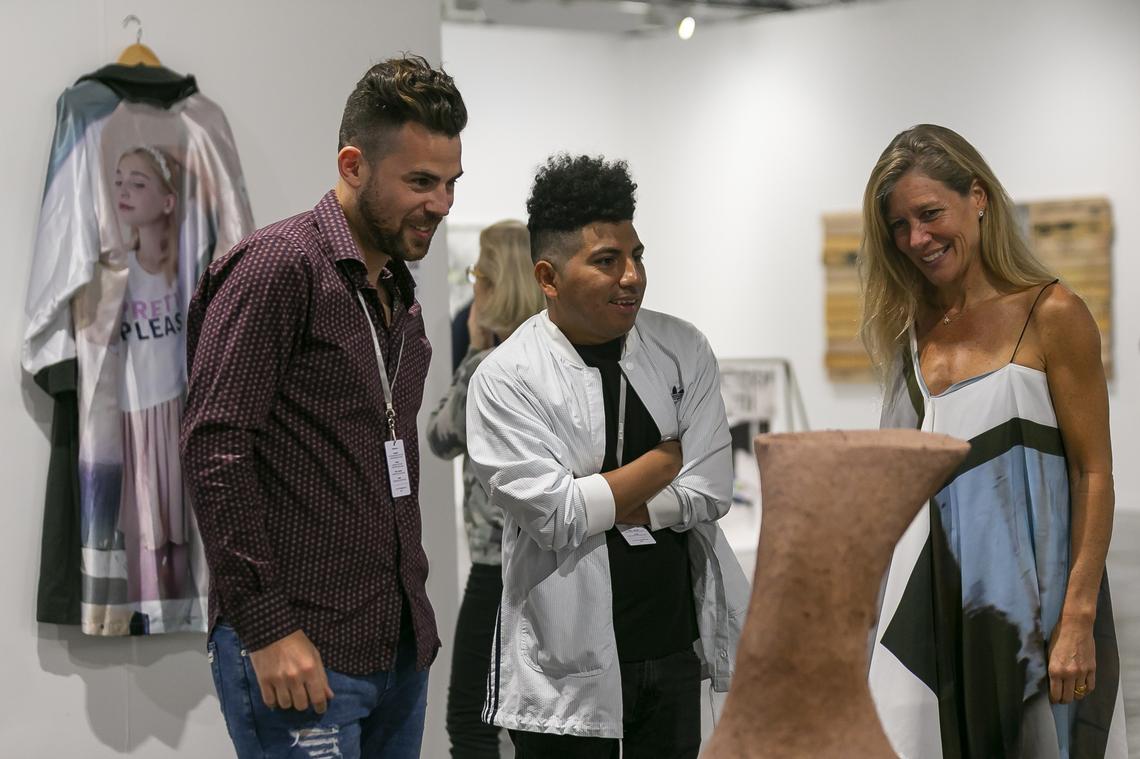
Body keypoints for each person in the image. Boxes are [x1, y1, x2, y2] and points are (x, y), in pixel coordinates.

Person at [180, 55, 466, 758]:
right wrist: (267, 626)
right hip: (300, 652)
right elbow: (215, 448)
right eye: (421, 182)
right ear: (353, 165)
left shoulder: (398, 293)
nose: (441, 204)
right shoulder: (278, 266)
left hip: (396, 650)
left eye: (451, 183)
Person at [466, 154, 748, 758]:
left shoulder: (681, 347)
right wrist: (665, 461)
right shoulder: (507, 377)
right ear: (548, 277)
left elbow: (712, 490)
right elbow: (554, 516)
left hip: (670, 650)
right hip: (561, 671)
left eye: (637, 255)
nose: (632, 276)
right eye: (606, 261)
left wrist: (606, 499)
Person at [862, 124, 1126, 758]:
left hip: (1035, 606)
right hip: (926, 605)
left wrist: (1078, 618)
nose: (917, 239)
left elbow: (1093, 473)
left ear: (977, 197)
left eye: (930, 214)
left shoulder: (1052, 313)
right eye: (899, 226)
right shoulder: (907, 330)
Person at [426, 219, 545, 758]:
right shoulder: (562, 361)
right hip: (558, 562)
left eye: (478, 274)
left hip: (499, 565)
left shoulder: (487, 369)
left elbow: (440, 436)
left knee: (470, 722)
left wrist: (475, 347)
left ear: (491, 284)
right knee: (541, 724)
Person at [113, 145, 195, 606]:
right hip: (134, 413)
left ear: (167, 201)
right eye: (119, 181)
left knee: (177, 528)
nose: (124, 191)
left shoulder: (185, 272)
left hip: (175, 409)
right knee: (144, 531)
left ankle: (180, 610)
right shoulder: (116, 274)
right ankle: (147, 609)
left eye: (137, 182)